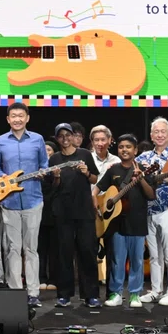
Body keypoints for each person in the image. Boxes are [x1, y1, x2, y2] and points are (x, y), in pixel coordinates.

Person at [0, 102, 49, 307]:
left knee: (31, 249)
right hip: (9, 201)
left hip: (33, 200)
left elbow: (44, 164)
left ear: (27, 118)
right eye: (13, 116)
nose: (17, 119)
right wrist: (2, 176)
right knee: (13, 249)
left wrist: (43, 172)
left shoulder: (37, 139)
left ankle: (33, 293)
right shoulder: (0, 141)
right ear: (8, 119)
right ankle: (15, 291)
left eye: (20, 116)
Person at [97, 134, 156, 308]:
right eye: (121, 147)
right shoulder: (113, 170)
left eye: (128, 147)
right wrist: (96, 203)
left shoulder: (144, 169)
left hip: (137, 222)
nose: (124, 150)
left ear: (135, 150)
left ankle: (135, 294)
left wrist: (141, 179)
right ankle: (116, 293)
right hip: (116, 223)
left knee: (137, 260)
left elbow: (151, 195)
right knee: (117, 260)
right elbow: (98, 188)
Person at [47, 122, 100, 307]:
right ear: (57, 139)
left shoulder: (84, 154)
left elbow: (95, 178)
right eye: (61, 136)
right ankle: (64, 295)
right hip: (62, 213)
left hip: (84, 212)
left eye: (68, 135)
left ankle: (91, 295)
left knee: (87, 252)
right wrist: (56, 177)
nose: (65, 139)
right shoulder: (54, 158)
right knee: (64, 254)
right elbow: (52, 187)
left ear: (73, 136)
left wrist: (86, 173)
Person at [135, 118, 168, 306]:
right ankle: (156, 290)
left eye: (163, 131)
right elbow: (132, 173)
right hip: (148, 209)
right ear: (151, 135)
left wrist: (161, 178)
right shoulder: (143, 157)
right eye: (156, 131)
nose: (160, 135)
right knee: (155, 254)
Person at [39, 139, 59, 291]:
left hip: (55, 212)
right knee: (40, 248)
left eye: (49, 150)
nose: (46, 152)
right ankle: (40, 278)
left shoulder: (58, 169)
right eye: (44, 149)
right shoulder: (35, 170)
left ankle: (54, 278)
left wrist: (56, 177)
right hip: (39, 212)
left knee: (54, 248)